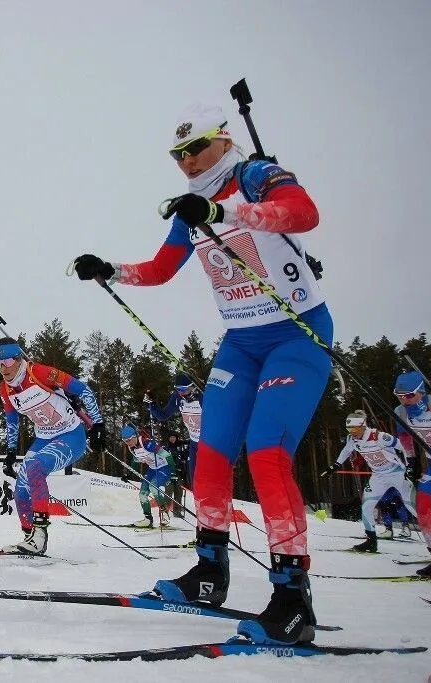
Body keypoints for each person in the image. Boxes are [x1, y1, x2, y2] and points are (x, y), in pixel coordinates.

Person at [72, 102, 332, 645]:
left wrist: (226, 214)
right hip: (241, 343)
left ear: (223, 140)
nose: (187, 160)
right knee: (210, 454)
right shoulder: (190, 208)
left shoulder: (254, 174)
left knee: (265, 451)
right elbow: (162, 269)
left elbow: (304, 213)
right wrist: (111, 270)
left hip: (295, 334)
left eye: (196, 148)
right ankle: (210, 573)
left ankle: (292, 599)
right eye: (177, 154)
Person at [0, 337, 104, 555]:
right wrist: (11, 450)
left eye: (6, 362)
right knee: (20, 492)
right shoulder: (5, 389)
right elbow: (12, 421)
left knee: (35, 467)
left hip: (71, 436)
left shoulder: (40, 373)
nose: (3, 368)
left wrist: (99, 424)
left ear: (18, 359)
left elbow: (83, 389)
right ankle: (29, 537)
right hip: (44, 437)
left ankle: (40, 537)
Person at [322, 410, 418, 554]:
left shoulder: (378, 436)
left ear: (363, 426)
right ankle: (371, 542)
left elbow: (402, 445)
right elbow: (346, 451)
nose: (352, 432)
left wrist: (410, 466)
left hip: (397, 474)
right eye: (349, 429)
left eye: (354, 429)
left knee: (413, 507)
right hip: (379, 476)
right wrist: (334, 466)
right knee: (367, 506)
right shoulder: (352, 439)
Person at [391, 371, 431, 577]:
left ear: (421, 392)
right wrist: (412, 462)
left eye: (407, 396)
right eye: (398, 395)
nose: (403, 400)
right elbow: (405, 438)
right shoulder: (402, 412)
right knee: (423, 508)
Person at [144, 371, 202, 489]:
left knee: (210, 478)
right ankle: (201, 506)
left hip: (209, 443)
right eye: (178, 389)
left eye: (184, 389)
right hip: (194, 443)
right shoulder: (177, 397)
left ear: (193, 386)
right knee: (194, 480)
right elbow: (163, 415)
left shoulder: (202, 397)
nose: (181, 392)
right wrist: (152, 404)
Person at [119, 425, 175, 528]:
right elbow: (135, 461)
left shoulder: (147, 443)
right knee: (142, 494)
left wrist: (173, 474)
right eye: (125, 440)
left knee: (153, 486)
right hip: (152, 469)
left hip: (164, 467)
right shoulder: (132, 448)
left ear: (135, 436)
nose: (128, 442)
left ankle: (165, 516)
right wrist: (128, 474)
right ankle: (148, 519)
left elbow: (168, 455)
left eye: (129, 439)